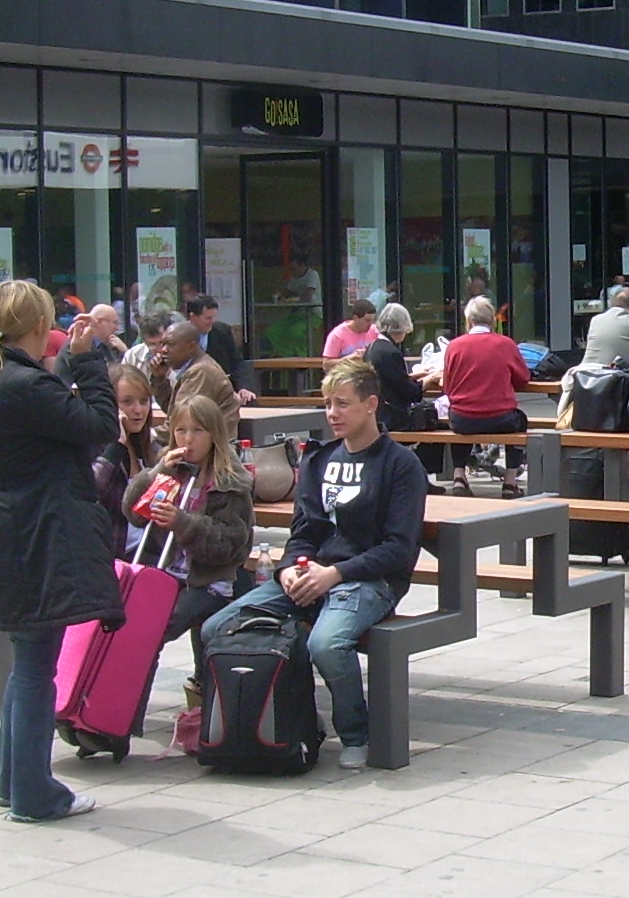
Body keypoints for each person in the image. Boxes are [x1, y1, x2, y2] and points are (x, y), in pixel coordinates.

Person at [0, 280, 123, 827]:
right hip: (38, 531)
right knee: (35, 666)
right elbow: (98, 426)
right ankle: (33, 793)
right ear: (36, 323)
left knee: (26, 659)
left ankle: (12, 780)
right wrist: (88, 365)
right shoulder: (22, 383)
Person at [200, 356, 426, 771]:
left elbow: (399, 548)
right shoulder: (318, 460)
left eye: (342, 404)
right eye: (327, 404)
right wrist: (288, 568)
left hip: (368, 581)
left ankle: (357, 733)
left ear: (371, 404)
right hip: (309, 575)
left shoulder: (400, 465)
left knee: (326, 644)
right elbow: (303, 529)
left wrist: (335, 573)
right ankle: (285, 715)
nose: (332, 414)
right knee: (217, 626)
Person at [124, 393, 253, 689]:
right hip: (170, 574)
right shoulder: (173, 471)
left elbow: (230, 545)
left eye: (197, 430)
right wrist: (157, 473)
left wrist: (183, 523)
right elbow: (133, 513)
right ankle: (121, 713)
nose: (188, 439)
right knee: (132, 626)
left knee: (155, 628)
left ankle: (125, 719)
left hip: (210, 581)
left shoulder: (229, 482)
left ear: (213, 434)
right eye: (181, 430)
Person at [437, 295, 534, 494]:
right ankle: (510, 482)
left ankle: (459, 476)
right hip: (501, 418)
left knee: (459, 419)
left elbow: (448, 387)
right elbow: (523, 378)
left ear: (468, 321)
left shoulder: (454, 346)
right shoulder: (505, 344)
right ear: (492, 321)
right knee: (520, 420)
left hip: (463, 419)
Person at [94, 363, 161, 550]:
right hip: (113, 554)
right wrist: (116, 446)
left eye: (144, 401)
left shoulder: (150, 446)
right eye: (127, 402)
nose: (138, 410)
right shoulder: (96, 447)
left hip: (148, 550)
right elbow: (91, 490)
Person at [152, 319, 241, 437]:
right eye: (163, 344)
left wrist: (148, 436)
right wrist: (159, 379)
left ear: (191, 346)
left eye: (171, 344)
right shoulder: (195, 367)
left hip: (212, 452)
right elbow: (173, 410)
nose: (163, 350)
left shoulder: (201, 371)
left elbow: (180, 422)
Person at [364, 304, 423, 440]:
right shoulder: (390, 353)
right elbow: (409, 392)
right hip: (392, 418)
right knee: (434, 422)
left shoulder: (372, 348)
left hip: (376, 413)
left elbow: (393, 379)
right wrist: (428, 381)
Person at [185, 295, 252, 398]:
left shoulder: (222, 331)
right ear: (193, 317)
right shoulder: (179, 335)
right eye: (208, 318)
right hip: (191, 390)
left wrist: (244, 387)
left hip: (221, 390)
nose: (212, 321)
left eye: (214, 317)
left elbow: (237, 363)